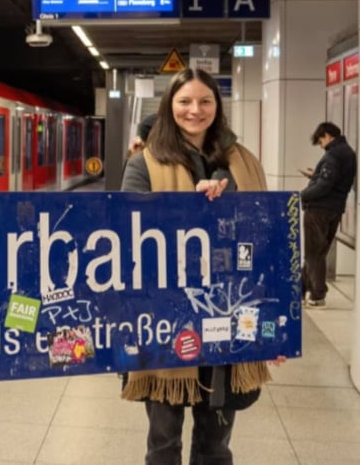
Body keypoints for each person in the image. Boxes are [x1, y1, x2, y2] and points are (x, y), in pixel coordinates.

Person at [121, 68, 284, 465]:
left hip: (228, 319)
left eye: (205, 101)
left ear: (217, 106)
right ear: (169, 106)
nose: (195, 110)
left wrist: (277, 327)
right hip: (166, 320)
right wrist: (187, 212)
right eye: (184, 101)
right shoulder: (144, 164)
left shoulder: (243, 163)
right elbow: (128, 238)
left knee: (216, 446)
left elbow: (268, 243)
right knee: (163, 443)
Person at [300, 121, 356, 308]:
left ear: (326, 136)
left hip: (319, 210)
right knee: (318, 252)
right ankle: (300, 289)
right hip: (335, 209)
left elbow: (325, 185)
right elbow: (334, 181)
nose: (321, 146)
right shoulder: (348, 153)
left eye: (320, 142)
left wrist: (302, 195)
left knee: (313, 252)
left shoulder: (333, 154)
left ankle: (317, 295)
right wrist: (315, 176)